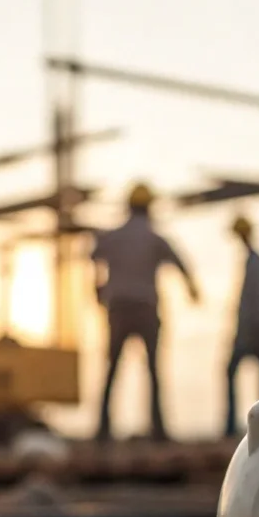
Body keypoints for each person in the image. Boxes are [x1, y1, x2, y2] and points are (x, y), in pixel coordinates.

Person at [89, 181, 200, 442]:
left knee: (112, 368)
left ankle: (103, 430)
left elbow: (94, 256)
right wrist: (192, 289)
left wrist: (97, 288)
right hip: (146, 309)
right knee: (152, 370)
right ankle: (158, 430)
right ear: (149, 208)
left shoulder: (114, 236)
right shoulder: (153, 238)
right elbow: (179, 262)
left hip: (118, 309)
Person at [224, 215, 259, 437]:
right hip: (258, 332)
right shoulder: (255, 263)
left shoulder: (257, 265)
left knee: (255, 380)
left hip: (257, 333)